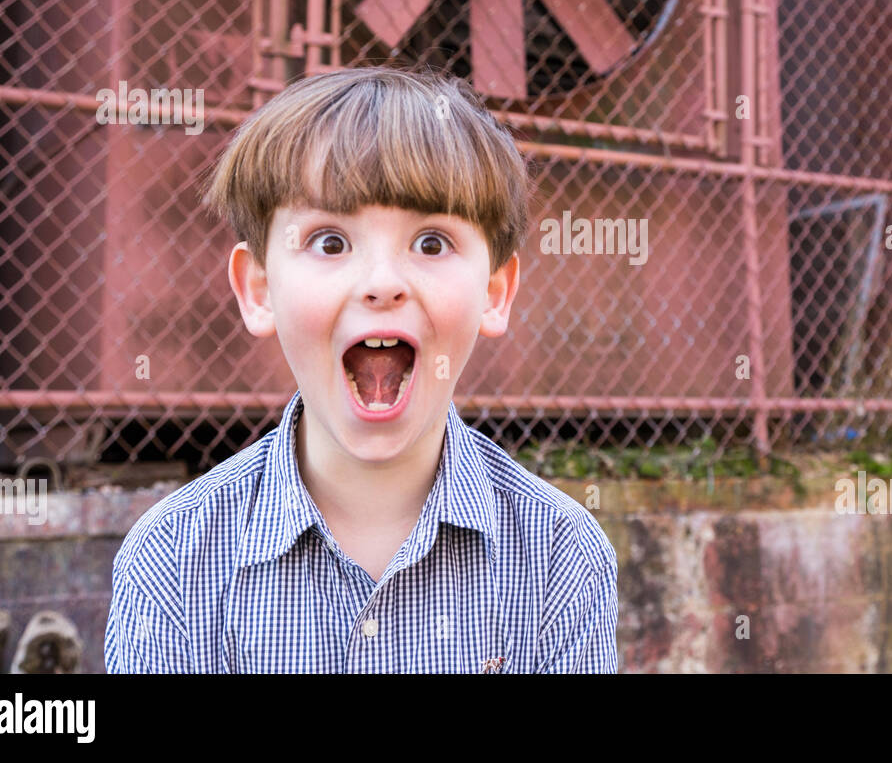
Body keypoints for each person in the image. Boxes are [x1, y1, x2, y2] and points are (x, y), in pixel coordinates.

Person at [104, 63, 618, 672]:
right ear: (259, 288)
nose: (381, 284)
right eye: (330, 242)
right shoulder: (171, 561)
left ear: (495, 292)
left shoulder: (561, 556)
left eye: (431, 243)